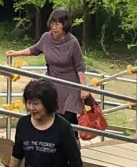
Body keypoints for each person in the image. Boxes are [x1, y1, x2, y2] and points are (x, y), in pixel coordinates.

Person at [5, 79, 96, 167]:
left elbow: (75, 161)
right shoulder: (23, 124)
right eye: (29, 103)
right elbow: (17, 154)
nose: (31, 108)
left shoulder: (63, 128)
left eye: (36, 104)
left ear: (47, 104)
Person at [6, 8, 87, 139]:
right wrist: (16, 53)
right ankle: (53, 145)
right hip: (53, 83)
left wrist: (83, 89)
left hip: (70, 85)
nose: (54, 27)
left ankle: (73, 146)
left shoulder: (72, 42)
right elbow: (35, 49)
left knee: (67, 118)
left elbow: (80, 67)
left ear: (64, 24)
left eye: (58, 24)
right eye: (52, 23)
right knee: (51, 115)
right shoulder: (46, 38)